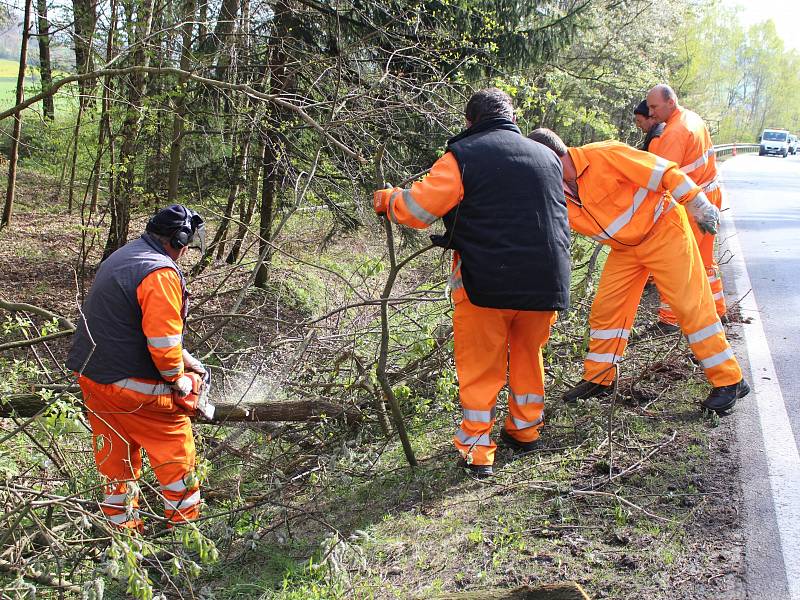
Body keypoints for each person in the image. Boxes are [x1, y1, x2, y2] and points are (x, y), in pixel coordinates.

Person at [372, 89, 571, 478]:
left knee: (481, 366)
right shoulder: (547, 156)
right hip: (545, 282)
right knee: (529, 355)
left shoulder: (462, 157)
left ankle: (478, 451)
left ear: (469, 121)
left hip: (486, 283)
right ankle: (526, 430)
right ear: (511, 117)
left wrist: (389, 199)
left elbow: (418, 210)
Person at [527, 128, 749, 413]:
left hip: (663, 230)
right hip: (626, 248)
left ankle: (729, 380)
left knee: (690, 306)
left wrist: (696, 201)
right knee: (607, 310)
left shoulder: (605, 155)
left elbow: (665, 172)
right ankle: (600, 378)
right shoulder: (556, 188)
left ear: (551, 157)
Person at [66, 205, 207, 529]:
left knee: (115, 464)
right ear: (180, 239)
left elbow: (128, 325)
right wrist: (179, 380)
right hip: (134, 389)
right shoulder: (161, 273)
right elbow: (161, 344)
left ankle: (123, 538)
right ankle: (185, 536)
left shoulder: (124, 256)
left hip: (93, 378)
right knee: (177, 461)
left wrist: (187, 359)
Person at [646, 84, 727, 332]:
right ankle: (717, 312)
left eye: (654, 107)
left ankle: (669, 320)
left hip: (692, 203)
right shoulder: (693, 119)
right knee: (704, 260)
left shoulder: (675, 133)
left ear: (671, 102)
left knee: (676, 259)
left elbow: (665, 179)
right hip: (708, 196)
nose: (651, 113)